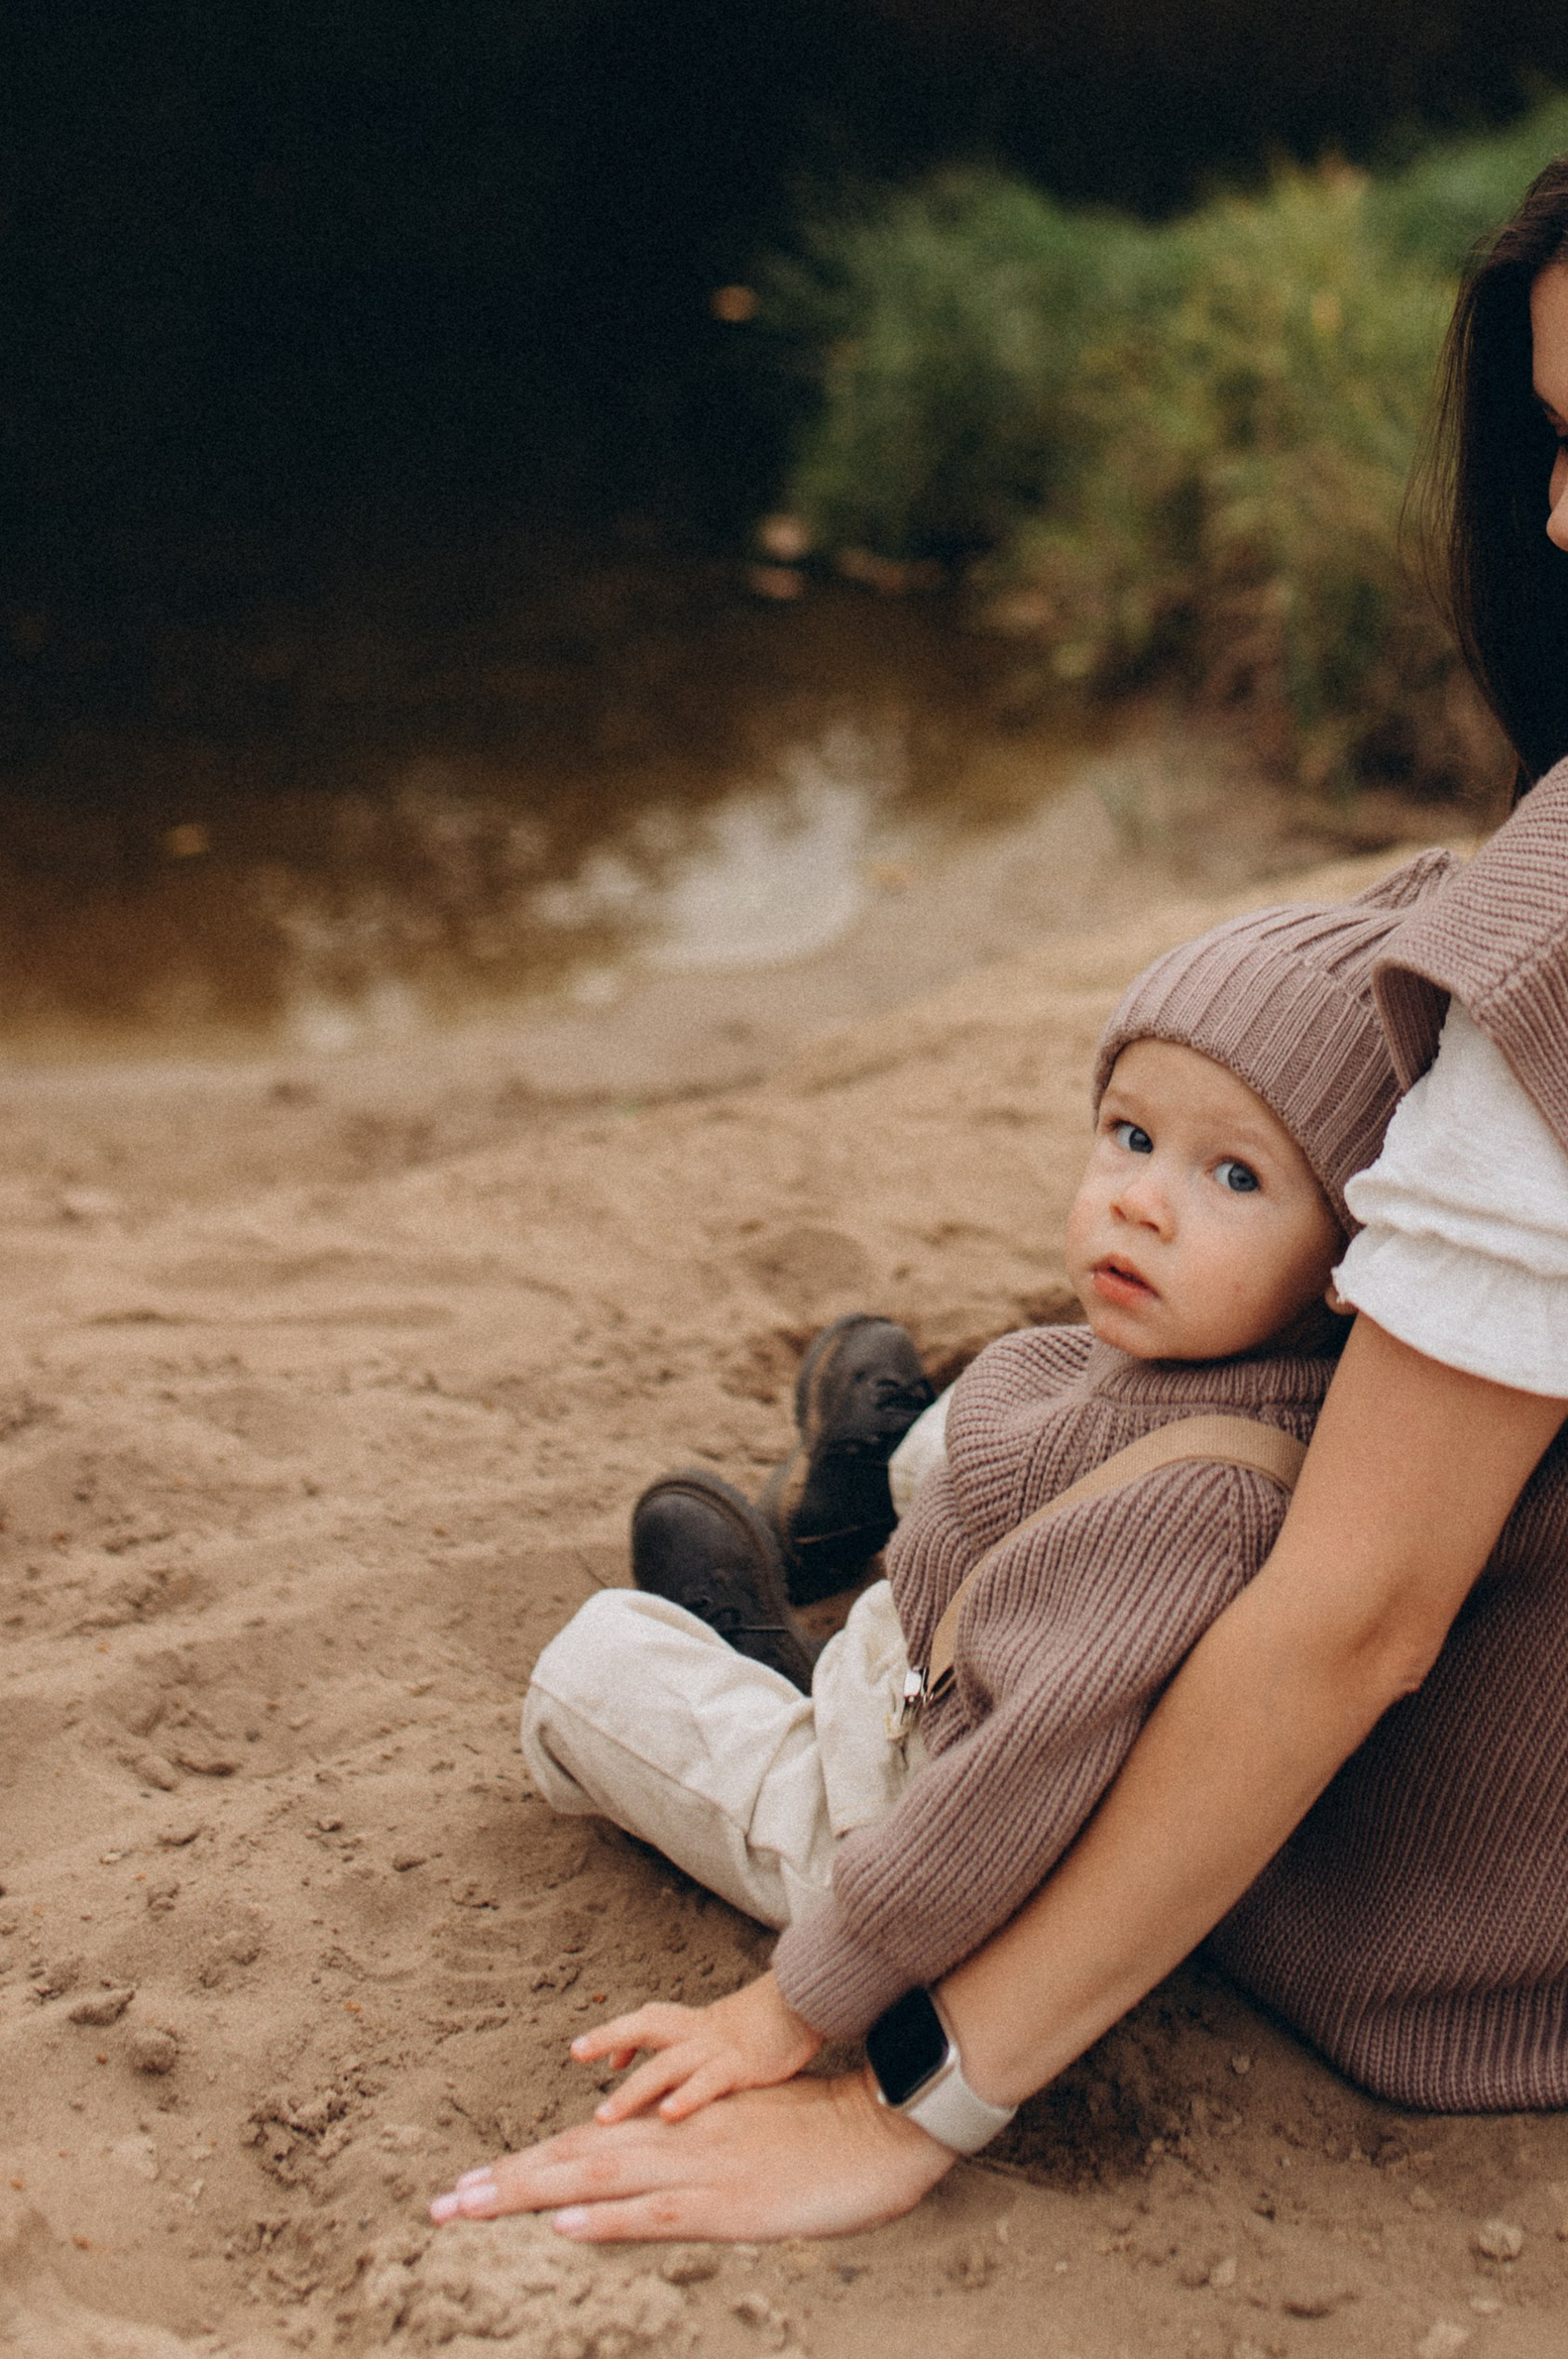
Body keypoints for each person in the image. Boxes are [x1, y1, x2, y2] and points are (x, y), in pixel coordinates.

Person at [433, 62, 1568, 2247]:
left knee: (1097, 1533)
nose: (1566, 517)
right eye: (1554, 446)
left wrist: (900, 2100)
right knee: (1193, 1360)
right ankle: (884, 1498)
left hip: (1552, 1892)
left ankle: (801, 1601)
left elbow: (1358, 1625)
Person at [510, 867, 1455, 2071]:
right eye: (1131, 1136)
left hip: (914, 1805)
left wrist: (814, 1995)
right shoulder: (1229, 1355)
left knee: (594, 1667)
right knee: (1016, 1390)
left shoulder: (1198, 1513)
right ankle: (858, 1493)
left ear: (1349, 1260)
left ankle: (763, 1668)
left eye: (1234, 1177)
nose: (1140, 1204)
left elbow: (1013, 1791)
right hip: (955, 1633)